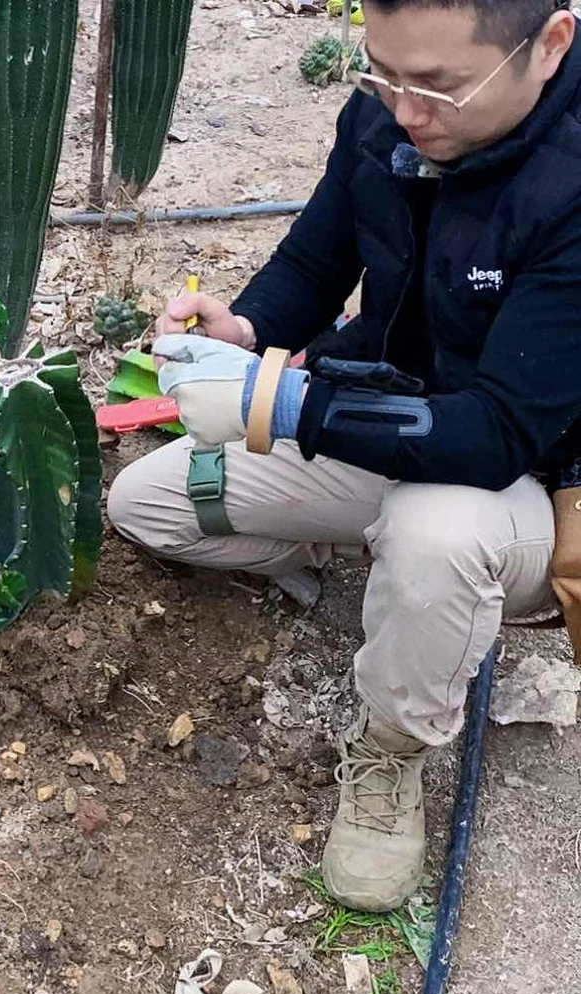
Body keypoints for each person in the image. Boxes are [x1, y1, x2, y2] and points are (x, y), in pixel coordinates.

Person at [107, 0, 581, 913]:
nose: (405, 111)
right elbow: (314, 262)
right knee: (152, 504)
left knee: (436, 532)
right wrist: (245, 329)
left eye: (438, 85)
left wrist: (286, 403)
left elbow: (494, 433)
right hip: (385, 415)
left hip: (529, 477)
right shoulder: (391, 108)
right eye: (382, 72)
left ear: (550, 45)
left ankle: (392, 750)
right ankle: (381, 568)